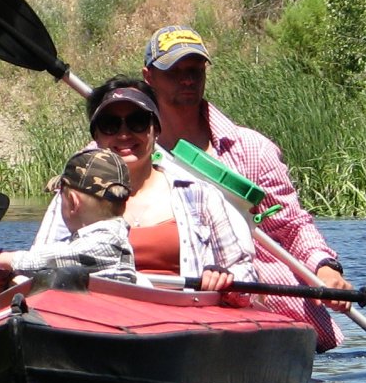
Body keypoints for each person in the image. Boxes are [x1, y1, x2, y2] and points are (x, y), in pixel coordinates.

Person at [143, 26, 345, 347]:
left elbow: (291, 226)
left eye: (195, 70)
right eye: (175, 71)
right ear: (149, 77)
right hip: (165, 294)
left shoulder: (252, 149)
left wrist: (324, 268)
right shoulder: (125, 150)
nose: (187, 80)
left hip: (251, 297)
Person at [57, 77, 255, 293]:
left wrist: (223, 279)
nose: (124, 134)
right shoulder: (71, 195)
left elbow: (244, 272)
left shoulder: (200, 195)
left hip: (181, 317)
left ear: (156, 129)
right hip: (98, 317)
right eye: (110, 125)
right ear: (96, 136)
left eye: (138, 121)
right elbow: (41, 264)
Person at [0, 147, 138, 283]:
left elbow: (53, 260)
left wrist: (10, 259)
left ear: (73, 202)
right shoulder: (98, 240)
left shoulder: (107, 242)